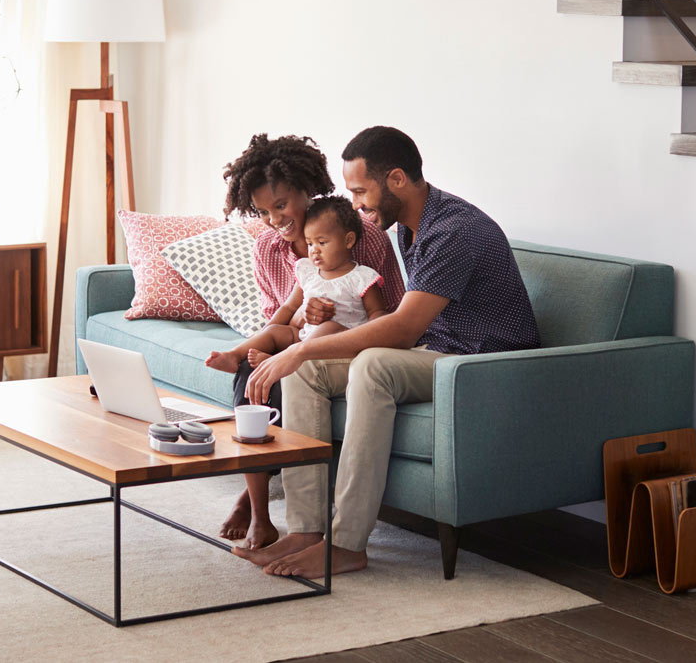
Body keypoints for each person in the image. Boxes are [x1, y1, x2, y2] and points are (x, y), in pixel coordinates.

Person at [237, 126, 540, 577]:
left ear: (396, 179)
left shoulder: (454, 230)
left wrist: (297, 351)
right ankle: (307, 529)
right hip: (439, 352)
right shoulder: (411, 229)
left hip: (482, 364)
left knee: (371, 365)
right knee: (305, 372)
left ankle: (347, 545)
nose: (355, 204)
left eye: (360, 191)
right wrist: (302, 352)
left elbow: (401, 328)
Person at [214, 135, 406, 551]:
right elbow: (279, 316)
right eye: (263, 211)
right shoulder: (267, 245)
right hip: (296, 338)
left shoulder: (361, 235)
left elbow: (389, 312)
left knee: (284, 370)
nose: (274, 220)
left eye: (281, 206)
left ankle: (255, 497)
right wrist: (303, 318)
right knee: (251, 373)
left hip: (348, 342)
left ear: (306, 189)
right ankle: (261, 517)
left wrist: (321, 324)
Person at [207, 196, 387, 372]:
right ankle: (234, 355)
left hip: (341, 342)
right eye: (309, 243)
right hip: (304, 337)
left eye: (322, 243)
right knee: (276, 331)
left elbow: (377, 313)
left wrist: (368, 337)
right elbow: (288, 307)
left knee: (329, 327)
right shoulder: (308, 271)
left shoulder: (362, 277)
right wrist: (267, 331)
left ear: (348, 240)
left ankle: (279, 360)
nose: (314, 250)